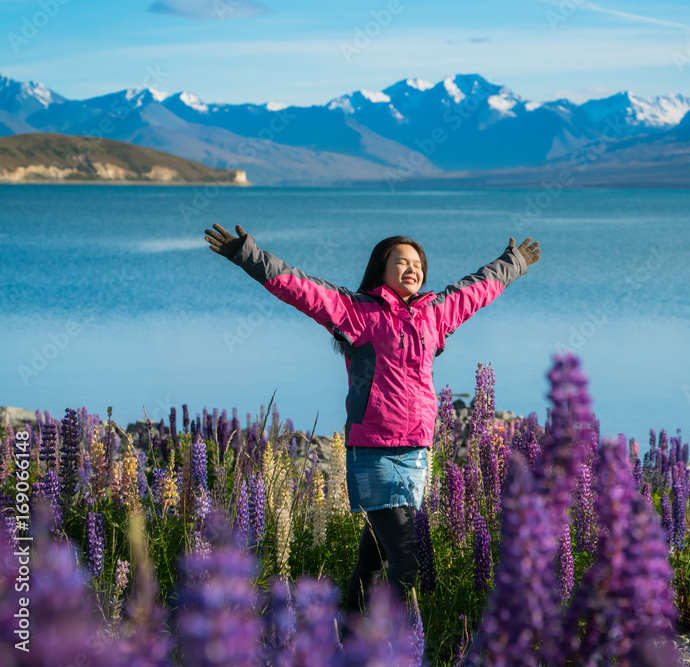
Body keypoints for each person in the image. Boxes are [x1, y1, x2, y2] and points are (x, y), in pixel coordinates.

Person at [203, 223, 540, 613]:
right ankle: (392, 646)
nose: (412, 269)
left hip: (416, 455)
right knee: (407, 561)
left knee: (375, 561)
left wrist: (513, 262)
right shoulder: (357, 311)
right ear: (382, 268)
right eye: (402, 262)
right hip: (374, 455)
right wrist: (245, 254)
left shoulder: (433, 314)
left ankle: (345, 639)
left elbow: (476, 290)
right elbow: (298, 287)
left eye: (418, 264)